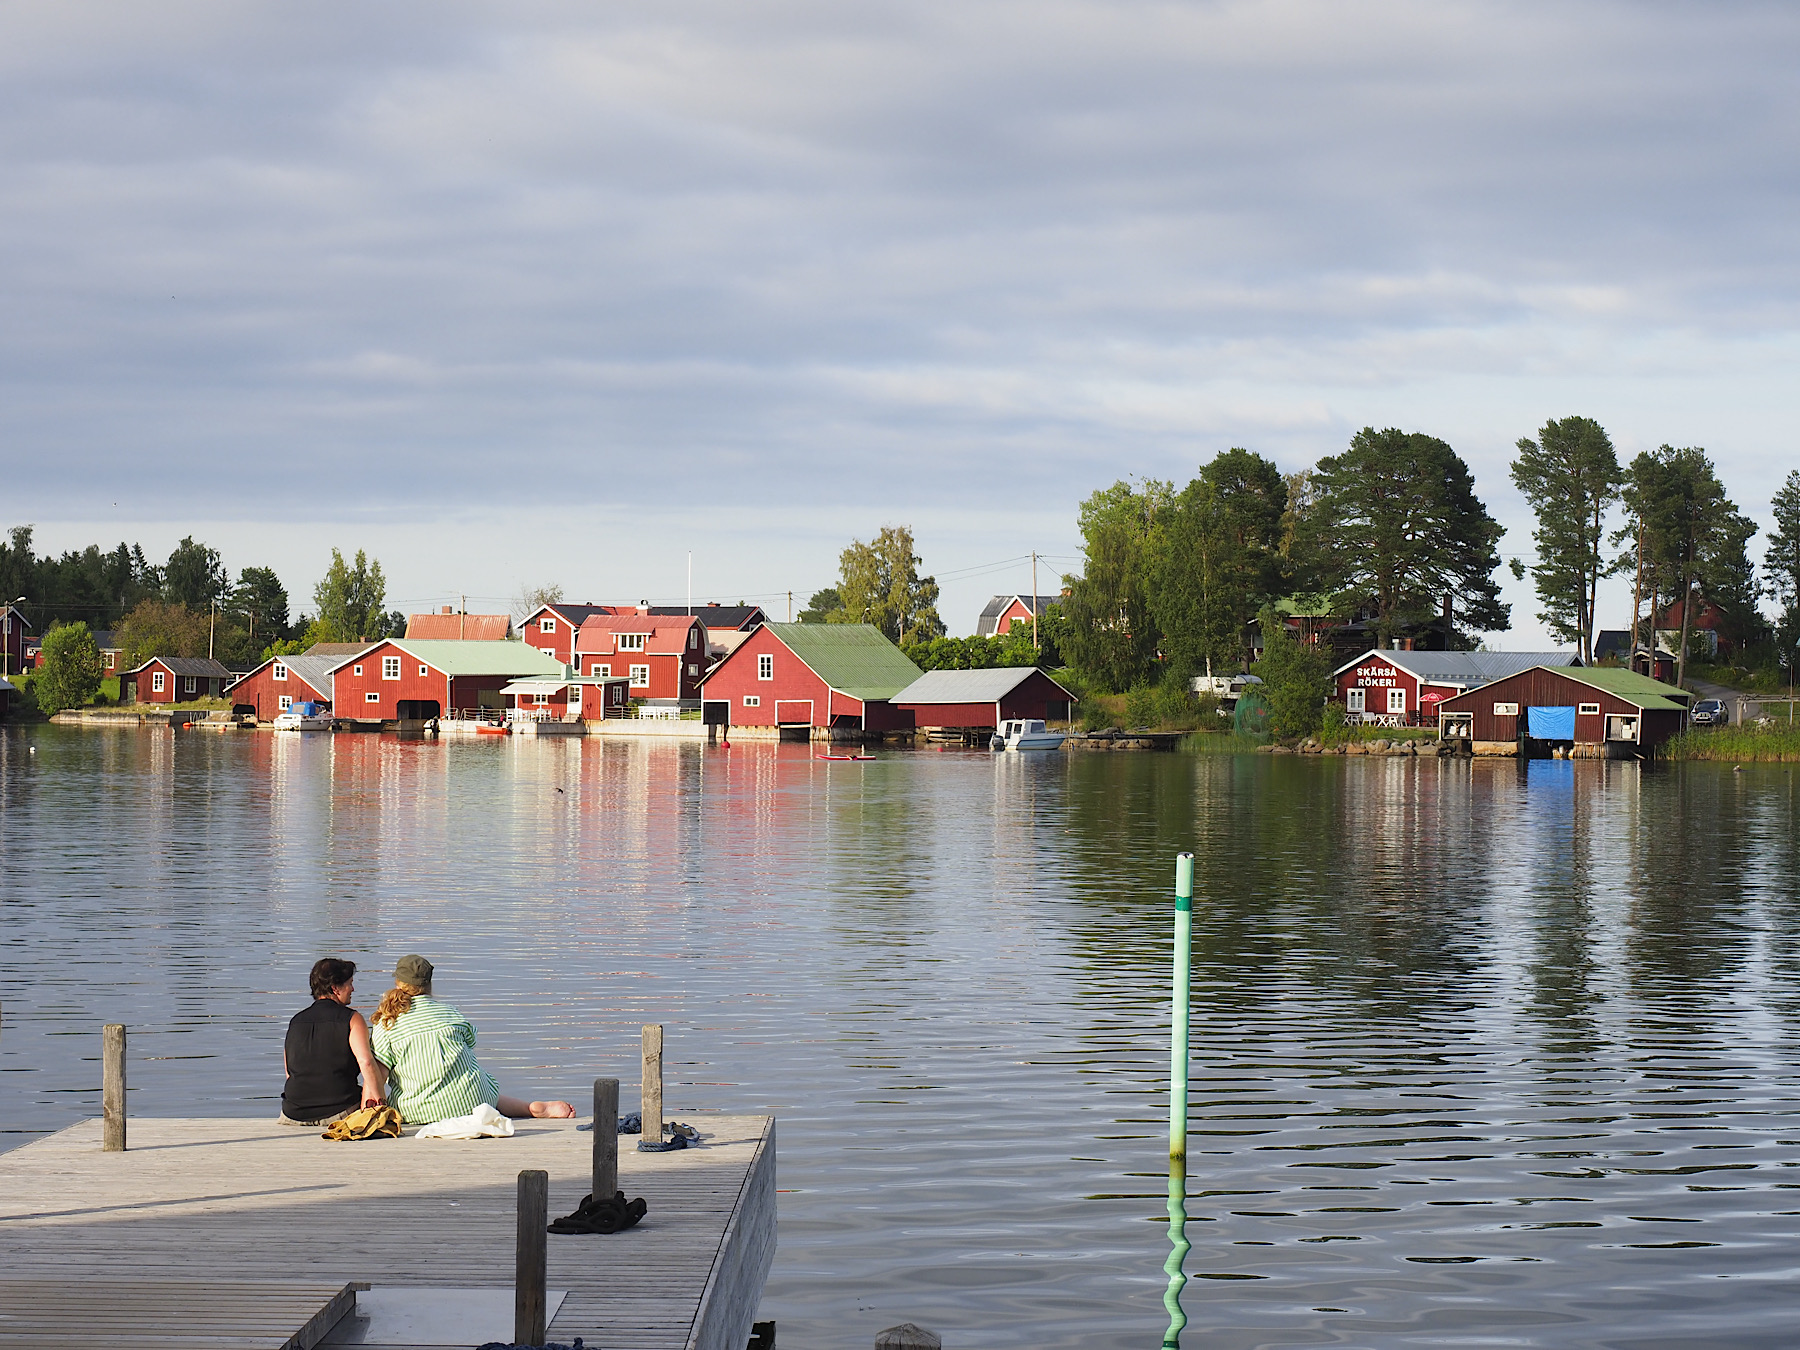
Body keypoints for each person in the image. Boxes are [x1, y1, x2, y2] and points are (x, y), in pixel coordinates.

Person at [369, 955, 575, 1124]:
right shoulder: (450, 1012)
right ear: (429, 983)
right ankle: (529, 1108)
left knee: (433, 1091)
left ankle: (527, 1108)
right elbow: (470, 1043)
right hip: (474, 1103)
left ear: (398, 982)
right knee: (477, 1085)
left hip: (419, 1112)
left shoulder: (387, 1022)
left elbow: (379, 1078)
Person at [280, 958, 386, 1126]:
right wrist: (382, 1105)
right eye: (349, 984)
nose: (352, 989)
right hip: (339, 1112)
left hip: (293, 1113)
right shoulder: (352, 1019)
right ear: (335, 988)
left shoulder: (296, 1021)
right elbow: (366, 1062)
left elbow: (289, 1072)